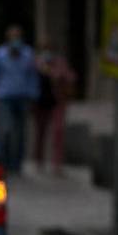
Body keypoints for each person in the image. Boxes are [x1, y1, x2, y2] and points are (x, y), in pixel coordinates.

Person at [0, 24, 39, 175]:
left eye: (18, 37)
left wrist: (34, 94)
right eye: (13, 37)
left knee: (21, 133)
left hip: (22, 97)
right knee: (7, 131)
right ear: (8, 39)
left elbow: (32, 77)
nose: (15, 40)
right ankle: (6, 162)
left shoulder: (28, 54)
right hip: (5, 97)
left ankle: (17, 164)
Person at [33, 38, 76, 177]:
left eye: (50, 49)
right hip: (41, 101)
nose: (47, 52)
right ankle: (39, 160)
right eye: (45, 49)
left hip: (57, 101)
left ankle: (57, 163)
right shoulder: (36, 62)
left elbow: (70, 77)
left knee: (58, 131)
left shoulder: (60, 62)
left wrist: (53, 73)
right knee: (41, 131)